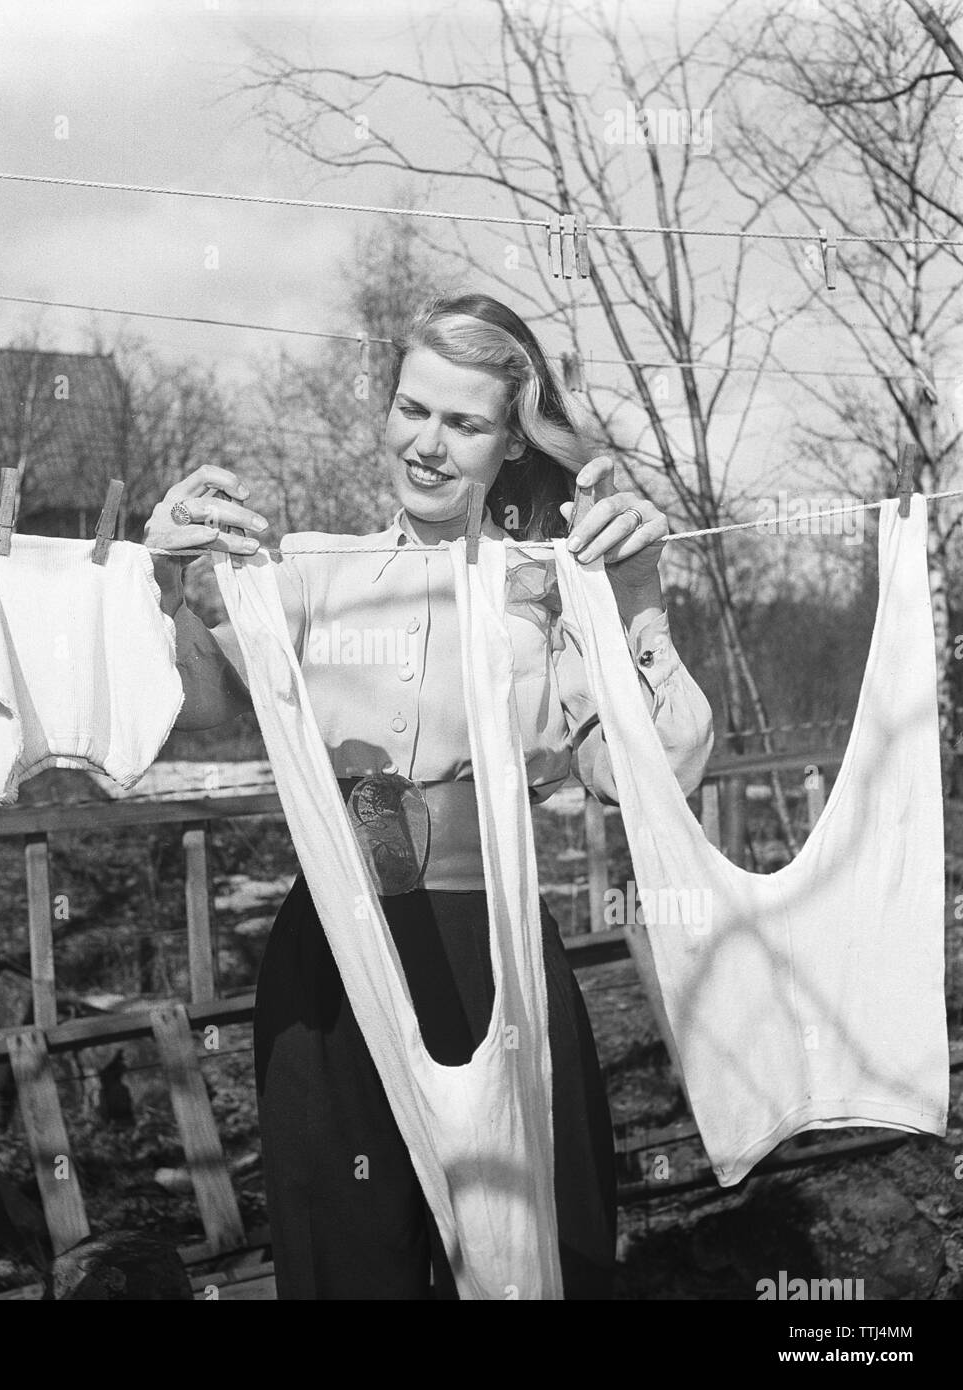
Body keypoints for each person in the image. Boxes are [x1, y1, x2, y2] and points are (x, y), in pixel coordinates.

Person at [146, 292, 715, 1300]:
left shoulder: (548, 589)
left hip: (495, 964)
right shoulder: (310, 572)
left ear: (509, 447)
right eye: (413, 409)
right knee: (346, 1260)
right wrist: (168, 577)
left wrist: (638, 593)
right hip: (334, 961)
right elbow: (187, 711)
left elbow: (652, 777)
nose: (429, 444)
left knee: (541, 1252)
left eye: (466, 423)